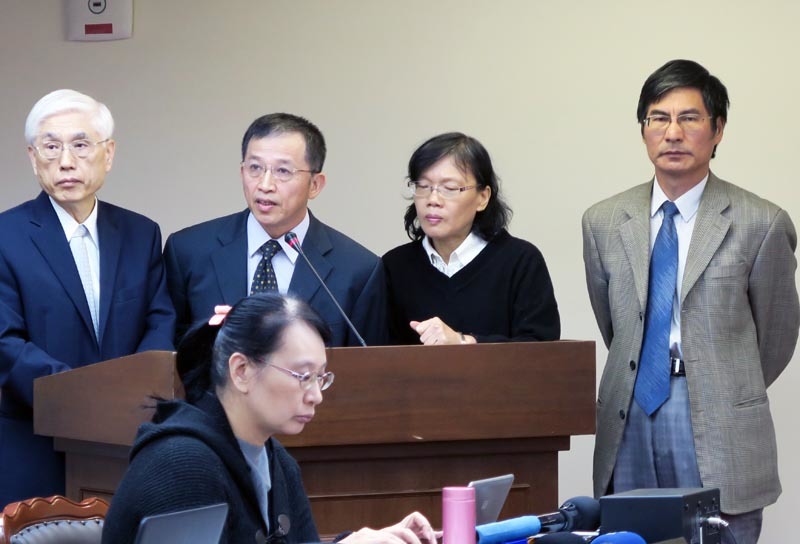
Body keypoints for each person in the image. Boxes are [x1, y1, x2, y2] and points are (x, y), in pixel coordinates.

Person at [582, 59, 799, 544]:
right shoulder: (603, 221)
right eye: (658, 118)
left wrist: (725, 381)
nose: (673, 132)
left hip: (718, 415)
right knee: (629, 536)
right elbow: (615, 324)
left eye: (689, 118)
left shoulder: (760, 222)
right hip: (630, 409)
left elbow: (778, 336)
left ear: (717, 129)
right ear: (643, 130)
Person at [102, 293, 438, 544]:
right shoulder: (180, 463)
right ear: (242, 370)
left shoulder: (277, 461)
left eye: (321, 377)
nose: (316, 395)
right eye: (303, 376)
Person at [0, 89, 176, 505]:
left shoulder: (140, 233)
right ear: (32, 157)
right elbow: (5, 342)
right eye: (51, 147)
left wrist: (130, 396)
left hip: (124, 443)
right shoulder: (6, 236)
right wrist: (83, 395)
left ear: (108, 153)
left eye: (80, 145)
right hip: (33, 443)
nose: (66, 161)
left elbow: (159, 321)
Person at [164, 113, 386, 347]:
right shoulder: (188, 251)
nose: (265, 185)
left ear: (315, 185)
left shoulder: (358, 270)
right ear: (241, 172)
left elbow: (368, 364)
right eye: (255, 168)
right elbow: (170, 353)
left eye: (283, 171)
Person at [382, 132, 560, 345]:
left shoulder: (520, 260)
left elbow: (542, 349)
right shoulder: (394, 266)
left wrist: (462, 342)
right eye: (423, 186)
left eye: (449, 188)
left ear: (483, 197)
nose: (433, 199)